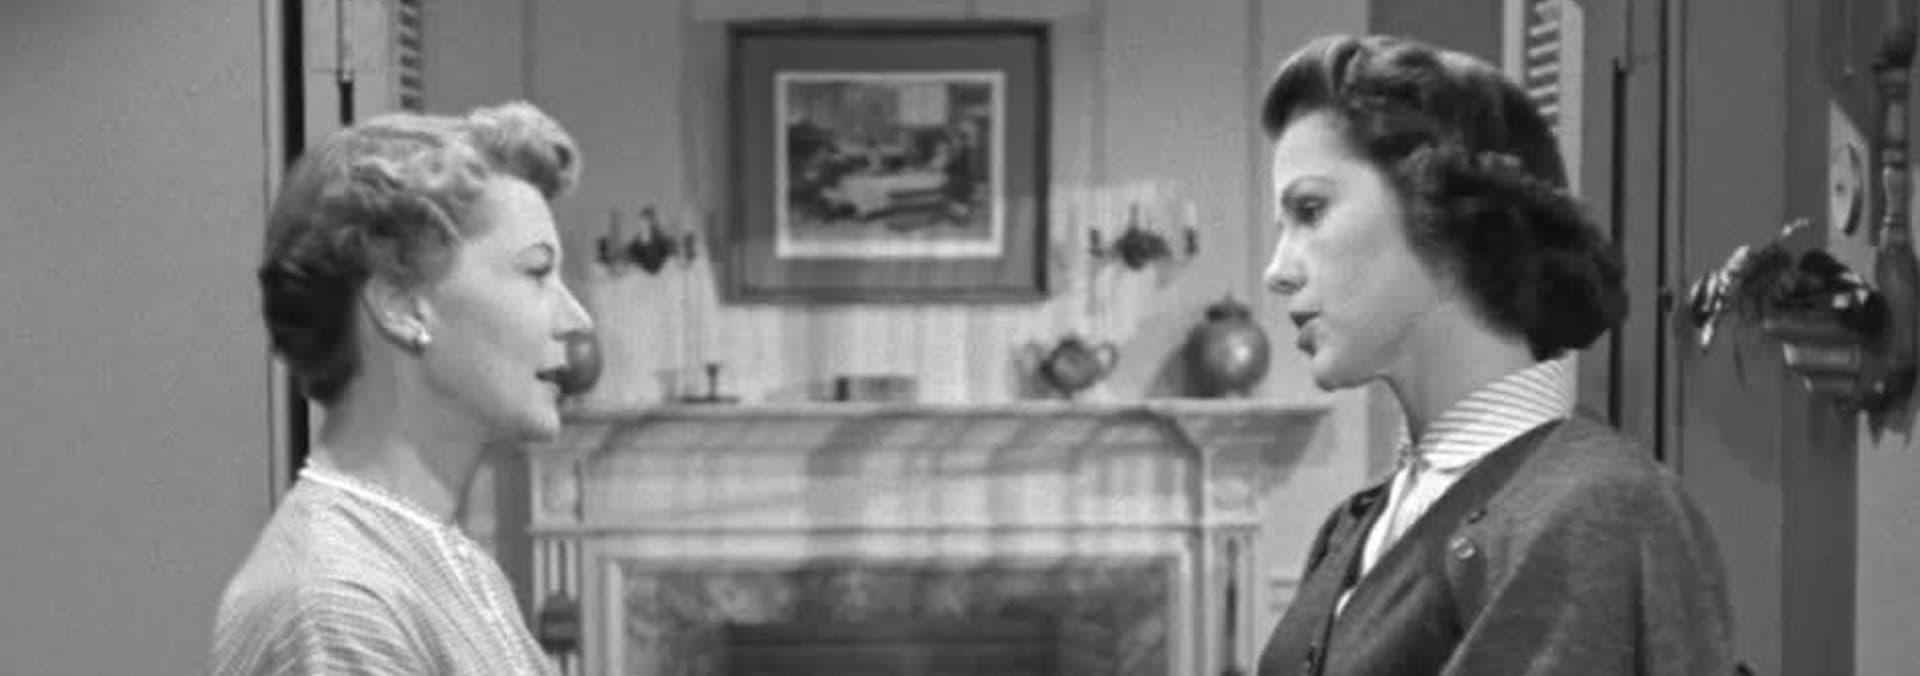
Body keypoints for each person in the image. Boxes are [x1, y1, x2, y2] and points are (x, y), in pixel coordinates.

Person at [1253, 35, 1734, 675]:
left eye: (1310, 211)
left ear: (1442, 207)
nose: (1277, 271)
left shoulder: (1597, 508)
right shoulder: (1355, 525)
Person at [212, 101, 592, 675]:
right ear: (400, 304)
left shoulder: (449, 560)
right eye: (536, 272)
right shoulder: (338, 605)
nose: (577, 319)